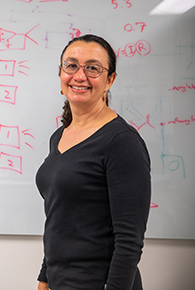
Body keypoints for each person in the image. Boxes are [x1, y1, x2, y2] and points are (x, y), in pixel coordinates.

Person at [36, 34, 151, 290]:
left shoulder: (122, 142)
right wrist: (45, 278)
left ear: (110, 80)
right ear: (60, 73)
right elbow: (60, 218)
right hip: (60, 280)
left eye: (93, 68)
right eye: (72, 65)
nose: (80, 76)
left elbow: (130, 240)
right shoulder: (59, 136)